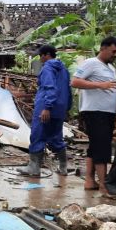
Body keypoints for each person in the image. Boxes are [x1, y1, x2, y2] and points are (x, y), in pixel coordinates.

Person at [70, 36, 116, 193]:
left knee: (94, 147)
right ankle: (105, 186)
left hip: (107, 113)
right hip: (95, 112)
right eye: (113, 51)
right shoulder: (91, 63)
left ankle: (90, 182)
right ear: (103, 48)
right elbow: (75, 82)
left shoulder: (111, 68)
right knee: (102, 149)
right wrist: (101, 85)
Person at [17, 45, 72, 177]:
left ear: (46, 55)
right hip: (60, 108)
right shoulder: (64, 69)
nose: (40, 58)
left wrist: (47, 107)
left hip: (46, 108)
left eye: (40, 55)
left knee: (38, 135)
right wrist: (66, 108)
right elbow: (68, 91)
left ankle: (34, 168)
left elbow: (50, 88)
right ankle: (63, 167)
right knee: (56, 137)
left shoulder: (47, 68)